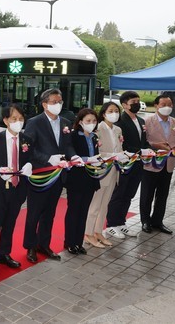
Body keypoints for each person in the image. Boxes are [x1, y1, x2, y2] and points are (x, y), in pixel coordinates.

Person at [23, 88, 79, 263]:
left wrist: (73, 155)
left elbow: (67, 145)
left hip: (58, 175)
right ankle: (30, 246)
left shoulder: (65, 122)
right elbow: (29, 149)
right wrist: (48, 158)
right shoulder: (34, 122)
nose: (59, 105)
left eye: (60, 101)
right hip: (41, 176)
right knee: (34, 213)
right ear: (45, 104)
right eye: (55, 102)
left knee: (50, 213)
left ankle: (43, 244)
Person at [0, 105, 33, 273]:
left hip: (18, 187)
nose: (18, 122)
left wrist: (29, 165)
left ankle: (4, 253)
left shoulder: (27, 139)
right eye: (14, 119)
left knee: (10, 223)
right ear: (5, 120)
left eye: (20, 119)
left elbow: (30, 159)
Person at [104, 91, 151, 239]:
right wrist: (140, 150)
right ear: (124, 104)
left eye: (138, 100)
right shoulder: (120, 122)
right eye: (133, 101)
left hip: (138, 163)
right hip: (124, 164)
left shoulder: (142, 121)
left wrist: (151, 150)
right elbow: (122, 144)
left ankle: (121, 222)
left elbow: (144, 141)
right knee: (119, 194)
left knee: (129, 194)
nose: (137, 104)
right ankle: (111, 224)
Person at [140, 95, 175, 234]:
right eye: (164, 104)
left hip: (169, 163)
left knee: (163, 194)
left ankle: (157, 221)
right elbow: (143, 142)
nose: (167, 107)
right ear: (156, 106)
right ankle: (145, 221)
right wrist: (157, 145)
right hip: (151, 164)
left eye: (170, 104)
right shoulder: (147, 122)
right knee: (147, 194)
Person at [84, 102, 124, 248]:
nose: (114, 113)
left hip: (114, 170)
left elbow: (120, 148)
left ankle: (98, 231)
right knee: (95, 205)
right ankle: (88, 233)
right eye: (110, 111)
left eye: (116, 111)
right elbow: (96, 153)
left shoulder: (118, 129)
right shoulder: (97, 129)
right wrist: (113, 155)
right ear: (103, 113)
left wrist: (123, 155)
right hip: (101, 171)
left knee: (105, 204)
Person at [64, 109, 100, 255]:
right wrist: (84, 159)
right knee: (74, 210)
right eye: (88, 121)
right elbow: (69, 153)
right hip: (76, 179)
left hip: (91, 178)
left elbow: (95, 155)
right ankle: (69, 242)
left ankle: (79, 242)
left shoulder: (94, 137)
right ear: (80, 122)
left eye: (94, 121)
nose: (91, 124)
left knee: (84, 211)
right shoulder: (73, 136)